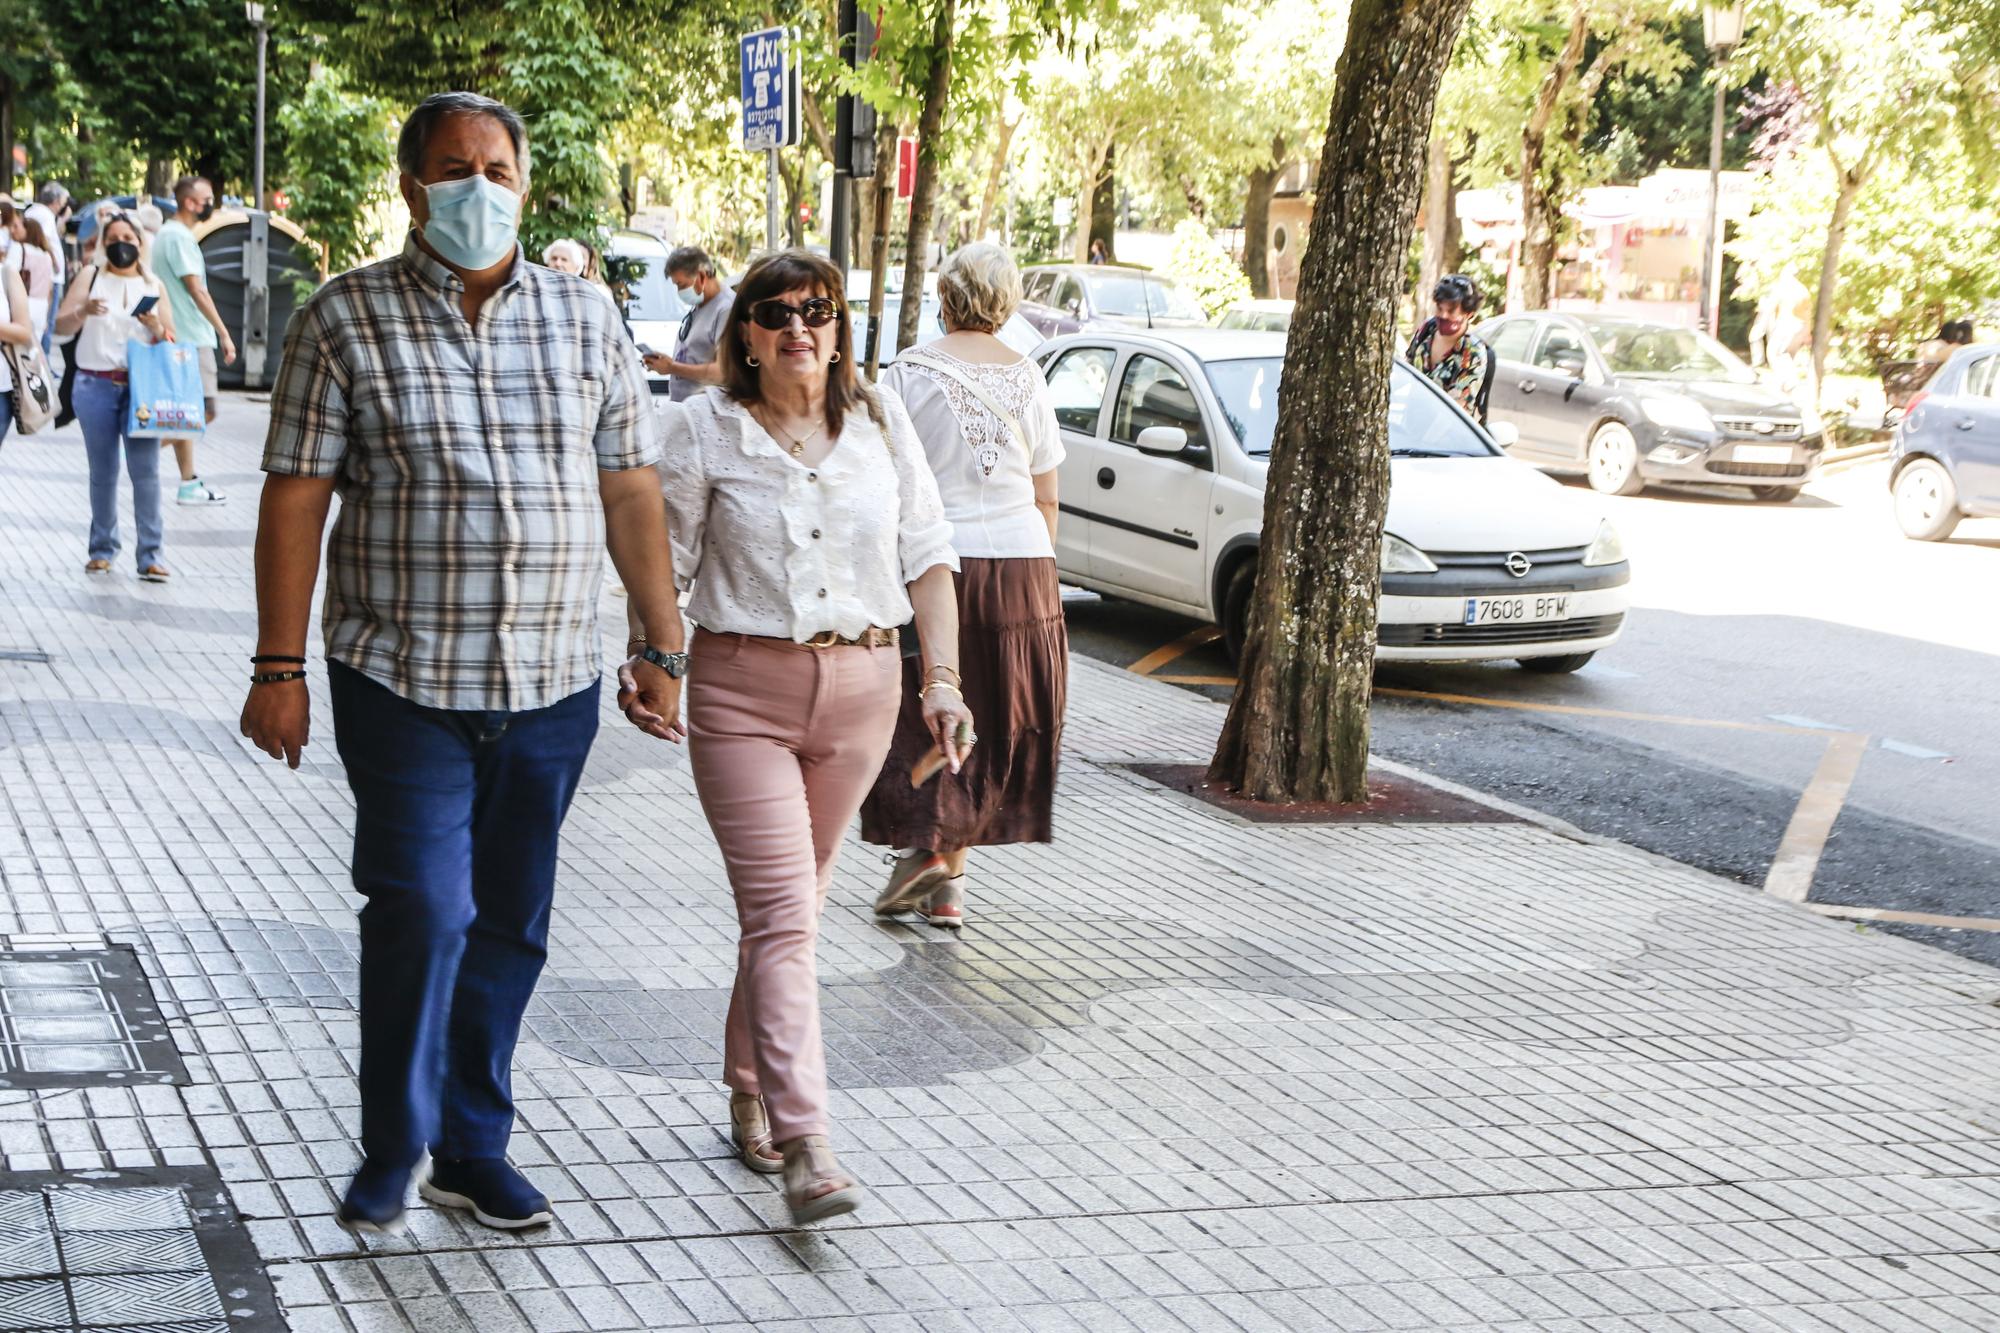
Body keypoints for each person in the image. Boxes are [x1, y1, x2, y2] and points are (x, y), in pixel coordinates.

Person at [239, 91, 685, 1237]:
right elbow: (296, 497)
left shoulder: (586, 319)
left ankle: (469, 1146)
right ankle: (394, 1135)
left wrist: (658, 642)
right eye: (453, 167)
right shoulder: (343, 318)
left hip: (549, 685)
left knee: (509, 923)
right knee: (423, 908)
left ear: (524, 185)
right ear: (410, 185)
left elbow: (631, 489)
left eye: (496, 168)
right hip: (402, 679)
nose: (478, 187)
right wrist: (275, 666)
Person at [642, 248, 969, 1225]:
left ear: (839, 326)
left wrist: (942, 683)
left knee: (792, 906)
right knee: (785, 913)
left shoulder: (877, 420)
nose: (799, 327)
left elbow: (927, 552)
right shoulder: (702, 429)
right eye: (776, 311)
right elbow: (661, 560)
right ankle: (805, 1137)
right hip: (744, 689)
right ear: (744, 331)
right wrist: (652, 658)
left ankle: (747, 1076)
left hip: (863, 690)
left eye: (817, 310)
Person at [859, 243, 1067, 930]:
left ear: (943, 297)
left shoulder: (908, 374)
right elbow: (1047, 495)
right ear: (1006, 302)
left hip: (938, 564)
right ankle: (950, 886)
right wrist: (1039, 576)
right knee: (994, 719)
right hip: (1022, 567)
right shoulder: (1030, 377)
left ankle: (929, 851)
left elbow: (889, 484)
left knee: (933, 707)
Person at [53, 212, 175, 580]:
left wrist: (155, 326)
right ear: (104, 243)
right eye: (114, 237)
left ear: (140, 242)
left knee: (147, 472)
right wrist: (83, 311)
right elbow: (59, 325)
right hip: (95, 384)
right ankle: (102, 548)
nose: (122, 243)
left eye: (129, 236)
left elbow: (170, 338)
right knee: (103, 471)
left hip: (141, 388)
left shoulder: (153, 284)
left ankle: (151, 555)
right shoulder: (91, 277)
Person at [153, 176, 238, 506]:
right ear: (190, 202)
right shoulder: (178, 238)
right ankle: (137, 448)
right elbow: (197, 289)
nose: (211, 203)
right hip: (190, 335)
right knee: (205, 410)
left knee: (185, 413)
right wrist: (224, 332)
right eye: (207, 197)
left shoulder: (168, 234)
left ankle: (189, 483)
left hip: (179, 335)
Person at [643, 245, 735, 402]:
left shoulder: (726, 309)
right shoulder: (700, 303)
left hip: (707, 412)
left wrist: (672, 367)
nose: (679, 291)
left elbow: (722, 371)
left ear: (701, 277)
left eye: (681, 285)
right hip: (684, 408)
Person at [1405, 273, 1492, 423]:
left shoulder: (1473, 353)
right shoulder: (1427, 329)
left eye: (1451, 311)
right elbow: (1406, 367)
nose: (1443, 315)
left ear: (1468, 314)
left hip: (1447, 437)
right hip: (1410, 426)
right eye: (1439, 308)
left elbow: (1457, 406)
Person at [24, 183, 68, 358]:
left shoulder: (36, 212)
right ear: (56, 201)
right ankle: (44, 361)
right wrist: (56, 263)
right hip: (50, 277)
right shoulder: (44, 215)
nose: (64, 206)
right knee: (46, 323)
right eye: (63, 201)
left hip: (43, 275)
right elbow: (45, 240)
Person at [5, 206, 58, 345]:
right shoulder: (47, 256)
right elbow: (50, 289)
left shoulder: (20, 249)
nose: (13, 231)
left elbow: (8, 274)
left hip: (22, 305)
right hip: (41, 306)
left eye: (18, 227)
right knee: (32, 351)